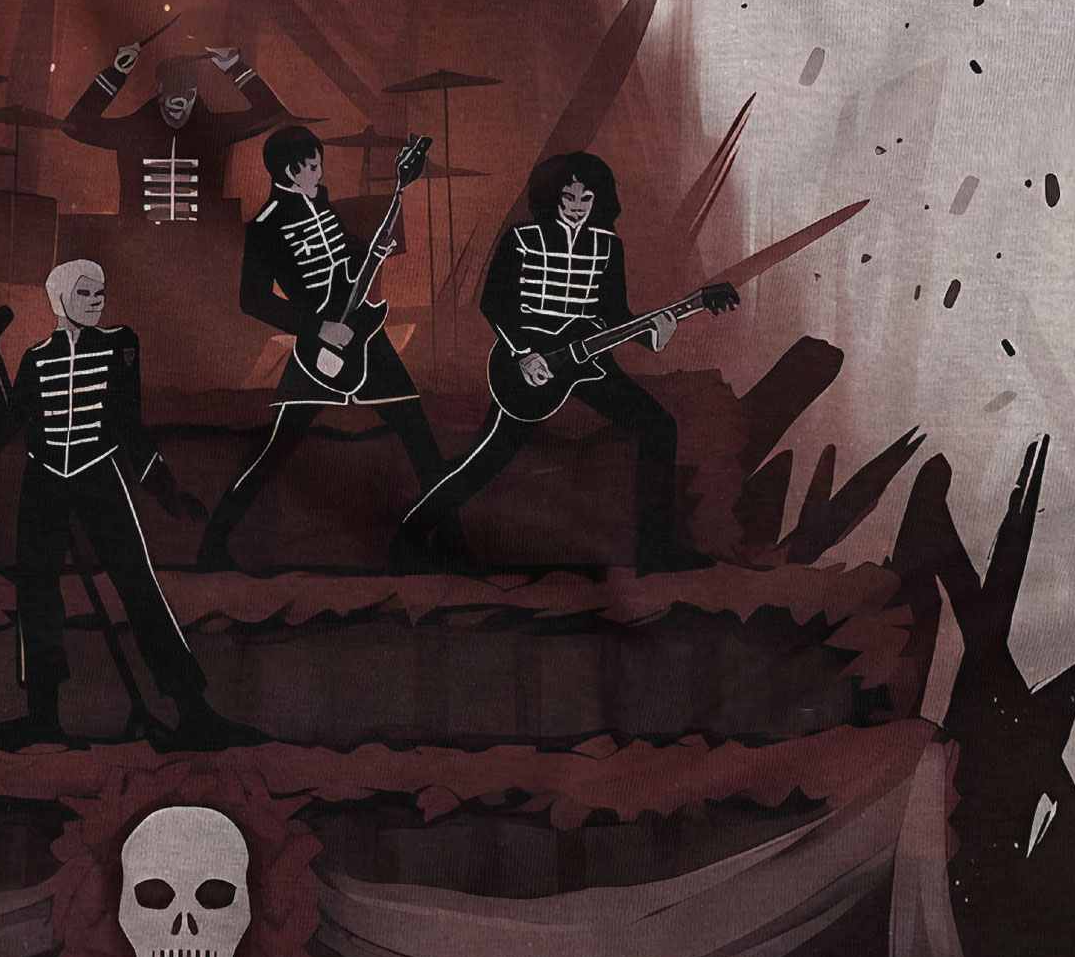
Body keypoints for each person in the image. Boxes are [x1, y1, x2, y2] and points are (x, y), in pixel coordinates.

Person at [0, 259, 258, 748]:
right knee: (36, 591)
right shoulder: (36, 358)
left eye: (100, 293)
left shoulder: (120, 345)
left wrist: (166, 490)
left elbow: (129, 428)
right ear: (60, 298)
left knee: (138, 584)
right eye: (85, 293)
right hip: (44, 478)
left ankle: (193, 711)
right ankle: (42, 717)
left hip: (98, 473)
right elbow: (1, 433)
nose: (96, 302)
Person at [392, 152, 706, 574]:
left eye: (586, 197)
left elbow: (615, 316)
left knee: (658, 426)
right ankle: (409, 536)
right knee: (488, 458)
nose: (577, 205)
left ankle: (655, 551)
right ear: (552, 196)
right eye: (568, 196)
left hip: (589, 362)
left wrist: (655, 335)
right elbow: (493, 303)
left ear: (599, 199)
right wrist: (523, 353)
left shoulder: (608, 246)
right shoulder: (522, 238)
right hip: (529, 365)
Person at [200, 121, 456, 568]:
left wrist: (374, 246)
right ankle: (213, 545)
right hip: (317, 350)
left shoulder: (320, 202)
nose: (320, 172)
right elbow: (252, 299)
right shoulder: (265, 225)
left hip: (364, 336)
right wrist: (317, 328)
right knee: (275, 449)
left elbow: (345, 258)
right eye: (314, 165)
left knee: (419, 435)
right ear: (291, 170)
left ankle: (454, 543)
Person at [58, 37, 301, 229]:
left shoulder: (213, 131)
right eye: (173, 91)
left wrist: (235, 68)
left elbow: (271, 113)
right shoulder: (133, 131)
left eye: (187, 92)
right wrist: (115, 73)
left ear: (196, 92)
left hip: (200, 248)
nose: (180, 101)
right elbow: (76, 126)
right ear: (159, 89)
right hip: (140, 245)